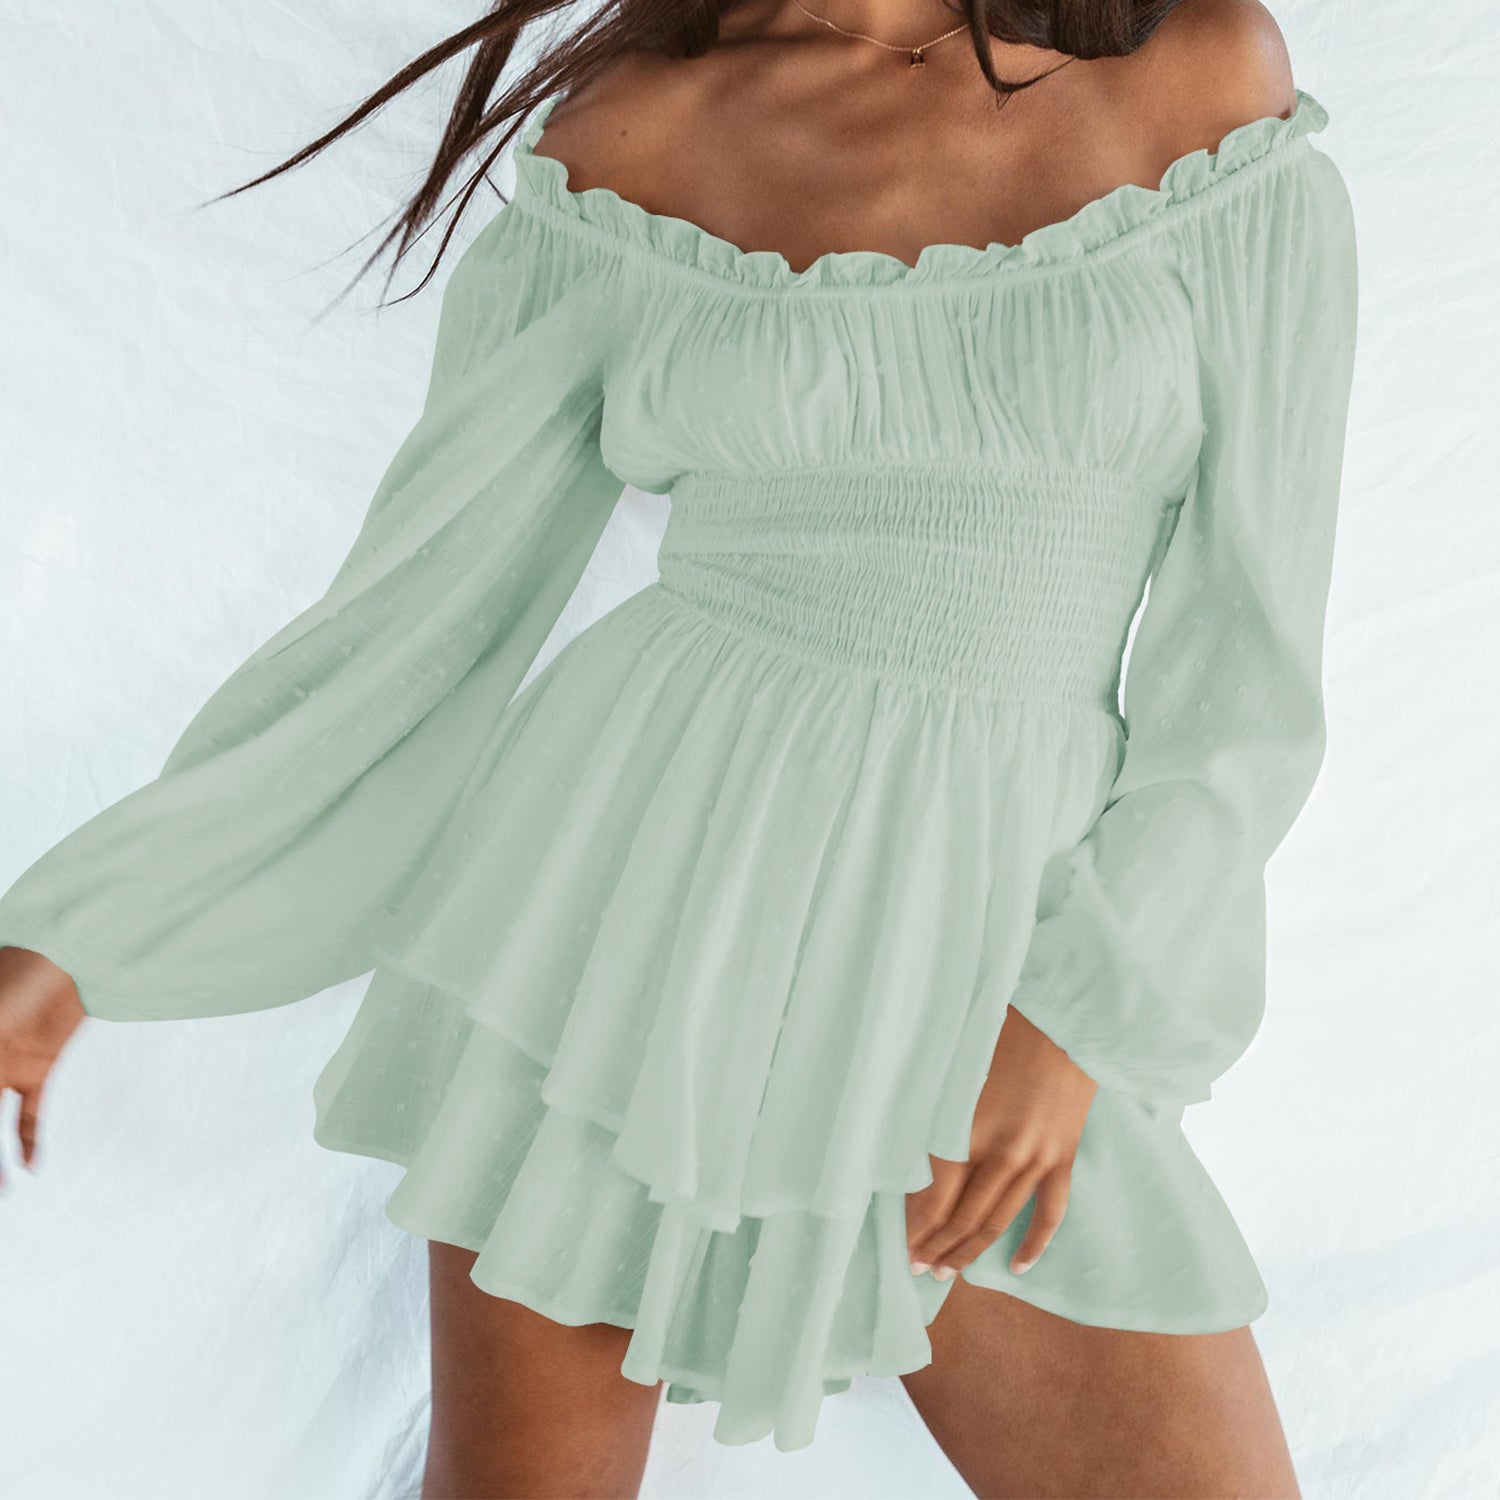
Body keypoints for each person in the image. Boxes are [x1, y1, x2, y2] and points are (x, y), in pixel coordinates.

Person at [0, 0, 1359, 1494]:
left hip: (996, 939)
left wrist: (1084, 1011)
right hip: (631, 911)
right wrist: (86, 933)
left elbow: (1250, 654)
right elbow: (415, 617)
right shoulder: (635, 133)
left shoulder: (1197, 80)